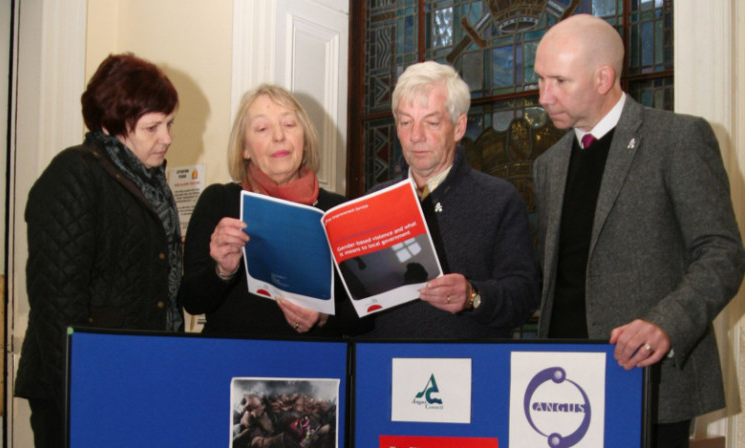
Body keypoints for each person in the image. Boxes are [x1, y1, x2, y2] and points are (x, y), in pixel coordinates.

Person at [533, 14, 745, 448]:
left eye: (558, 81)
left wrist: (665, 324)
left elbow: (722, 253)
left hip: (650, 379)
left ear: (603, 77)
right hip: (560, 385)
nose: (543, 96)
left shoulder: (678, 138)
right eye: (539, 79)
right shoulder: (547, 165)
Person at [15, 53, 183, 448]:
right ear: (111, 125)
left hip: (138, 378)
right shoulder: (74, 174)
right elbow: (57, 302)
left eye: (169, 123)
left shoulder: (151, 184)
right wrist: (82, 396)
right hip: (86, 387)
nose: (168, 138)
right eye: (152, 126)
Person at [365, 61, 540, 339]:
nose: (415, 136)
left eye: (431, 122)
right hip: (385, 365)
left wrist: (473, 296)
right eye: (405, 122)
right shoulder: (374, 200)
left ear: (459, 127)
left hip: (468, 369)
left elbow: (525, 295)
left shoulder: (499, 199)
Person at [179, 84, 364, 338]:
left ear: (305, 140)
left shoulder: (338, 210)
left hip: (314, 369)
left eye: (289, 125)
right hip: (232, 366)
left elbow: (366, 316)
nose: (279, 136)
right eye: (263, 128)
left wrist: (323, 317)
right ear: (244, 148)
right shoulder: (219, 202)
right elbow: (192, 300)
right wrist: (222, 272)